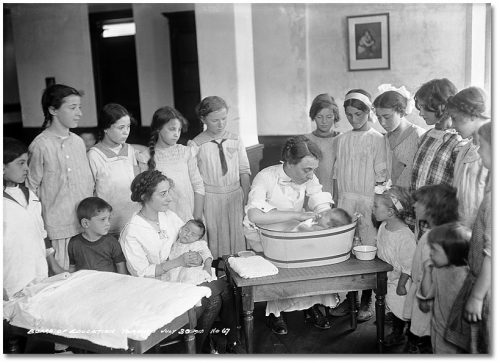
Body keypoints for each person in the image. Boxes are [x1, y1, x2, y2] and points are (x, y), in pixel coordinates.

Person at [119, 170, 244, 353]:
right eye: (163, 194)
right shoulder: (132, 231)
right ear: (145, 196)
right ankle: (205, 347)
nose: (169, 198)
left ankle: (218, 343)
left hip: (182, 277)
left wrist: (199, 258)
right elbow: (142, 273)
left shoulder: (168, 216)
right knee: (217, 295)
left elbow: (192, 239)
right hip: (157, 288)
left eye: (168, 192)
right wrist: (178, 262)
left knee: (221, 290)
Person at [244, 135, 338, 334]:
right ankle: (275, 313)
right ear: (289, 163)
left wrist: (326, 214)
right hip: (264, 234)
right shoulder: (266, 177)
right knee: (280, 267)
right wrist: (296, 215)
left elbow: (318, 198)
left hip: (291, 231)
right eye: (307, 169)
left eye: (313, 169)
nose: (311, 175)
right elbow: (254, 215)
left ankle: (311, 305)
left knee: (309, 261)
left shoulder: (309, 177)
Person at [330, 89, 387, 322]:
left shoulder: (377, 139)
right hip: (345, 200)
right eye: (349, 115)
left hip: (368, 200)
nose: (353, 119)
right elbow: (336, 175)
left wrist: (377, 207)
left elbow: (381, 176)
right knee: (348, 249)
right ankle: (349, 299)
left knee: (368, 249)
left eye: (358, 114)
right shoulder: (341, 140)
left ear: (368, 112)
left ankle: (367, 299)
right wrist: (335, 205)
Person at [27, 84, 94, 270]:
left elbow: (87, 184)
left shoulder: (79, 142)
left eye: (79, 107)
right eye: (72, 108)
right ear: (52, 110)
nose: (79, 113)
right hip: (57, 231)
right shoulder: (40, 145)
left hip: (85, 227)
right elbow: (31, 192)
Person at [446, 121, 491, 354]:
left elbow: (493, 255)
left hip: (486, 286)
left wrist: (477, 296)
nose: (479, 151)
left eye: (482, 146)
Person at [188, 96, 251, 258]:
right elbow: (195, 179)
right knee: (216, 234)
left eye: (224, 119)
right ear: (203, 119)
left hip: (235, 195)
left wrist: (246, 199)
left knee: (236, 234)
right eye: (215, 120)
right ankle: (219, 270)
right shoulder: (196, 144)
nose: (221, 124)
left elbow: (244, 170)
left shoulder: (235, 139)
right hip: (211, 198)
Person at [3, 138, 62, 300]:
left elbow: (41, 234)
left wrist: (54, 265)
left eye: (27, 163)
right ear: (2, 167)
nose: (27, 169)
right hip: (12, 281)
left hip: (38, 276)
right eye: (20, 163)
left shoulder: (31, 196)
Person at [403, 184, 459, 353]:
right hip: (436, 303)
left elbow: (430, 277)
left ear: (431, 209)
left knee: (421, 340)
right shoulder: (448, 233)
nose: (414, 205)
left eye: (418, 202)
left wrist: (425, 299)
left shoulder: (431, 240)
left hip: (425, 302)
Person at [138, 106, 205, 222]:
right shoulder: (145, 157)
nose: (176, 134)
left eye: (179, 130)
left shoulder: (186, 152)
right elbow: (145, 195)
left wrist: (196, 218)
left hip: (188, 216)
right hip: (163, 220)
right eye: (172, 129)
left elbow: (198, 186)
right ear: (158, 129)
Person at [372, 183, 416, 347]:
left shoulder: (405, 237)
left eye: (376, 206)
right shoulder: (384, 226)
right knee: (389, 302)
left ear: (390, 212)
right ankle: (392, 319)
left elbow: (409, 264)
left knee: (403, 308)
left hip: (399, 281)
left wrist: (402, 284)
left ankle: (402, 334)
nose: (373, 209)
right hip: (387, 276)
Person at [87, 103, 140, 236]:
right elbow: (89, 192)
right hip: (107, 225)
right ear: (106, 128)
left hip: (132, 221)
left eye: (128, 126)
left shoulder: (131, 151)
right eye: (121, 127)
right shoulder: (94, 155)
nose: (126, 131)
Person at [420, 222, 470, 353]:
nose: (430, 253)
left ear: (452, 252)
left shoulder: (465, 278)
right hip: (438, 330)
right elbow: (426, 295)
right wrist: (427, 272)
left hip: (456, 340)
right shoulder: (438, 269)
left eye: (435, 250)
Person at [410, 78, 465, 192]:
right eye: (420, 107)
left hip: (441, 208)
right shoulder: (425, 137)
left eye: (424, 107)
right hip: (418, 206)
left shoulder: (459, 143)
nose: (421, 113)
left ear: (443, 106)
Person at [446, 87, 489, 228]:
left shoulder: (491, 152)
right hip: (462, 226)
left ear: (472, 115)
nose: (452, 125)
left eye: (455, 118)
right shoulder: (465, 149)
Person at [373, 85, 425, 188]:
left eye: (387, 117)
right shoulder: (384, 139)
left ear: (401, 112)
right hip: (389, 199)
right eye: (379, 117)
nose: (382, 123)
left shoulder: (420, 136)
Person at [67, 197, 127, 274]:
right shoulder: (74, 243)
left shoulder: (111, 242)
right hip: (84, 283)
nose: (108, 223)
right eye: (103, 219)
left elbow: (120, 265)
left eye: (108, 219)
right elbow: (72, 267)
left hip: (109, 283)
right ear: (85, 223)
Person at [306, 93, 341, 195]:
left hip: (337, 193)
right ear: (313, 116)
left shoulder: (342, 139)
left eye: (329, 117)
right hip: (311, 193)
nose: (324, 121)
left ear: (335, 117)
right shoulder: (306, 140)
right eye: (319, 117)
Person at [163, 219, 214, 285]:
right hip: (174, 272)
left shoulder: (198, 244)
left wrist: (207, 267)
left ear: (198, 239)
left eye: (193, 234)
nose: (188, 234)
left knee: (190, 280)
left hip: (190, 271)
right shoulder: (175, 242)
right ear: (181, 229)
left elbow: (207, 255)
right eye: (186, 230)